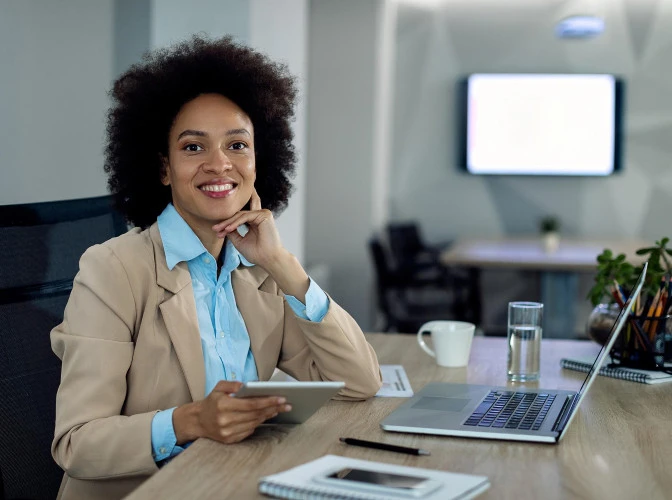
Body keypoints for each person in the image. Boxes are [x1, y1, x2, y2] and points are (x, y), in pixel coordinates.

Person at [50, 35, 382, 500]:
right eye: (193, 148)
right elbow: (76, 444)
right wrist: (188, 422)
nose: (219, 164)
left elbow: (361, 382)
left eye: (237, 145)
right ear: (163, 168)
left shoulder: (257, 268)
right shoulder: (112, 270)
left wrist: (283, 265)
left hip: (235, 480)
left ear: (257, 161)